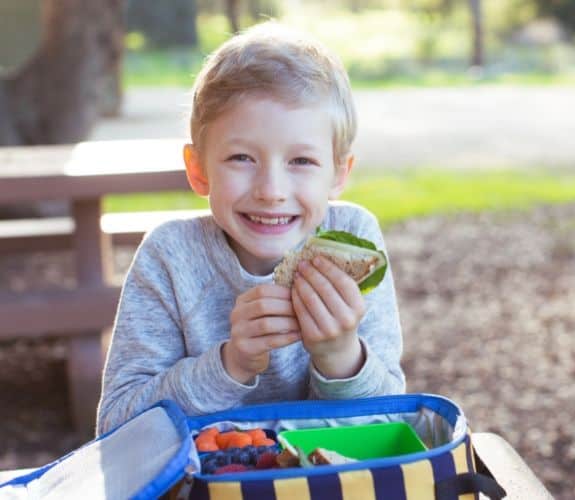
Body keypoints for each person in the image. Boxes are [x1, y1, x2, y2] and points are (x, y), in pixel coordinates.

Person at [96, 22, 405, 435]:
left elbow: (393, 427)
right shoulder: (170, 258)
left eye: (301, 161)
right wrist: (229, 364)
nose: (271, 191)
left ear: (338, 173)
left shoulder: (354, 239)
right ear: (198, 169)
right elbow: (116, 428)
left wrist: (341, 358)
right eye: (242, 157)